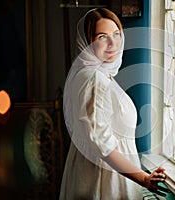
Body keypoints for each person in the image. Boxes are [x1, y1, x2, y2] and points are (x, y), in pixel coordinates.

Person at [60, 8, 168, 199]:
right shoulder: (94, 79)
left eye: (116, 34)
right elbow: (100, 142)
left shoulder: (99, 75)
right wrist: (143, 178)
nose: (112, 43)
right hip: (103, 182)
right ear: (87, 41)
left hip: (105, 176)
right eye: (102, 37)